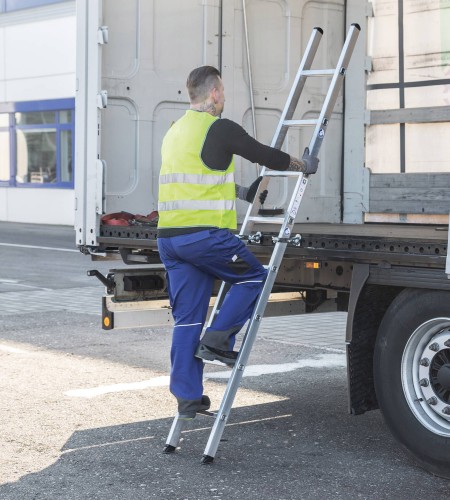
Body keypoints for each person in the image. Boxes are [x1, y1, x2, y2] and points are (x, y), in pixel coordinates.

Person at [157, 65, 319, 419]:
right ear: (214, 93)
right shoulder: (220, 128)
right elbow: (264, 154)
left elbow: (197, 180)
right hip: (204, 237)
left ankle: (187, 397)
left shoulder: (174, 130)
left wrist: (243, 192)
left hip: (170, 240)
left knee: (187, 320)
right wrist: (301, 164)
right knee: (254, 278)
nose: (224, 97)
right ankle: (218, 340)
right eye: (224, 92)